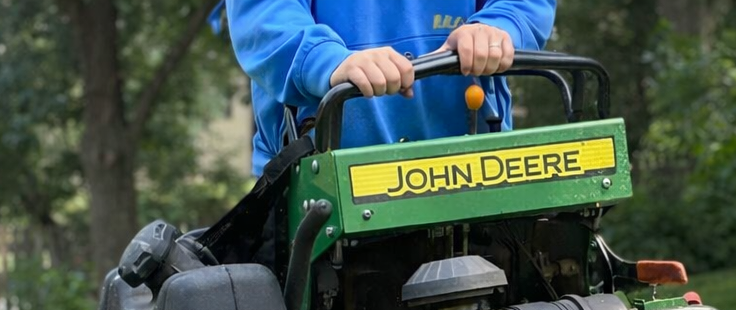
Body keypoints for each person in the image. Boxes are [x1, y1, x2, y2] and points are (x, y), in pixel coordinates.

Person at [224, 1, 557, 175]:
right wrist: (329, 61)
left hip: (476, 167)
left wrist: (496, 27)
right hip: (319, 179)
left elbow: (523, 5)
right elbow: (264, 20)